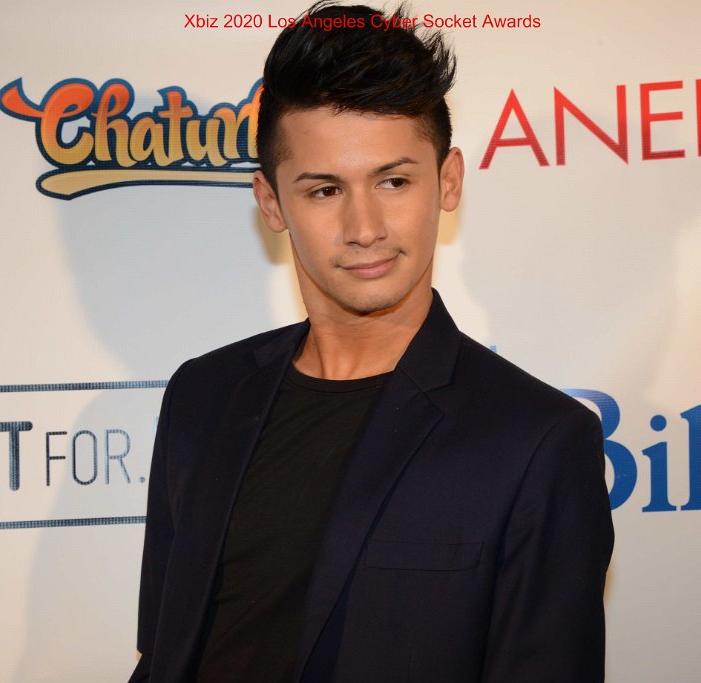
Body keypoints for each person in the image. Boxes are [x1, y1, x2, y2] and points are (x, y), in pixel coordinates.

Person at [129, 2, 613, 681]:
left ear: (448, 181)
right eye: (325, 190)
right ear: (271, 203)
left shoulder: (537, 440)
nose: (364, 227)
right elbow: (162, 653)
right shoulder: (201, 396)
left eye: (393, 181)